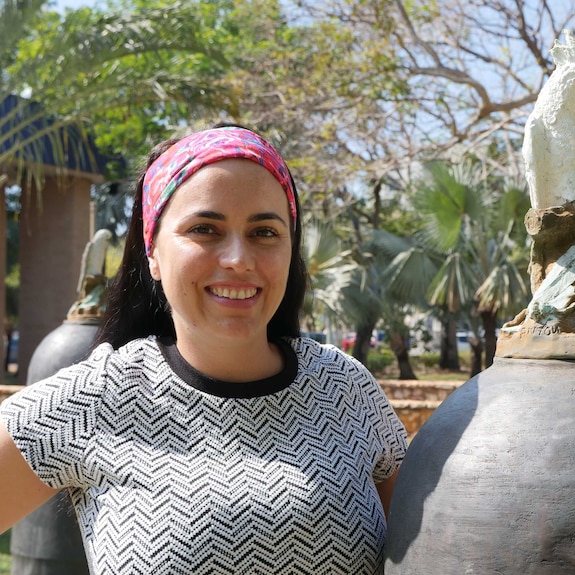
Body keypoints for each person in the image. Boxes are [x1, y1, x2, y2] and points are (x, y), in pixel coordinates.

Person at [0, 125, 407, 574]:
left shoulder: (346, 388)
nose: (238, 258)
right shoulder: (98, 397)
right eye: (205, 229)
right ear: (152, 252)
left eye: (265, 232)